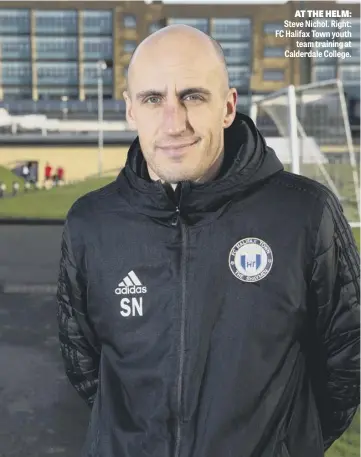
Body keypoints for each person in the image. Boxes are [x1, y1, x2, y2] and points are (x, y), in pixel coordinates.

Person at [57, 25, 360, 457]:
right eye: (153, 99)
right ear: (130, 110)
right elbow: (84, 364)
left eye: (193, 96)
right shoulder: (91, 222)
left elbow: (348, 362)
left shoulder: (305, 213)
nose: (174, 122)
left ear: (228, 106)